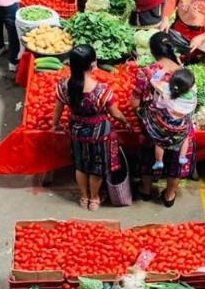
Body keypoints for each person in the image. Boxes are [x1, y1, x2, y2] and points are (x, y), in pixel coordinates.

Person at [52, 45, 125, 210]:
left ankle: (84, 197)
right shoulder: (102, 90)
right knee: (96, 168)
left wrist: (55, 125)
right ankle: (95, 198)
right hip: (98, 134)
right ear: (93, 65)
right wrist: (125, 121)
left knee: (81, 165)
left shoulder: (64, 86)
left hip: (76, 131)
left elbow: (58, 110)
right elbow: (115, 113)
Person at [130, 33, 188, 203]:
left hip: (153, 127)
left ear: (153, 52)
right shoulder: (185, 74)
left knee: (149, 156)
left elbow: (134, 103)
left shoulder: (147, 73)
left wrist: (143, 111)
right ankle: (169, 195)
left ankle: (146, 190)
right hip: (179, 127)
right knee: (176, 161)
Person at [137, 65, 196, 181]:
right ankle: (182, 157)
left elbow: (154, 80)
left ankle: (159, 161)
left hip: (164, 125)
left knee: (160, 142)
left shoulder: (165, 90)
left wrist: (161, 70)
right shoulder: (192, 95)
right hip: (181, 125)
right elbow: (191, 85)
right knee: (185, 138)